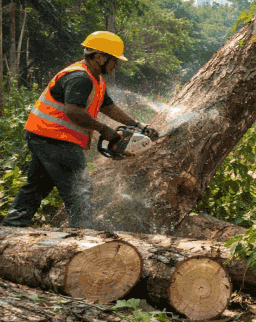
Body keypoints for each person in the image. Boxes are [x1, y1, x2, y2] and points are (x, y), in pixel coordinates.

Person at [2, 31, 159, 229]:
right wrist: (104, 130)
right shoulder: (80, 77)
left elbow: (108, 107)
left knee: (35, 188)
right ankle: (81, 235)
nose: (117, 65)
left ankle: (10, 229)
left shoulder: (96, 80)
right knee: (80, 188)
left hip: (45, 135)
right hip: (55, 138)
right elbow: (73, 111)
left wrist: (138, 125)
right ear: (100, 57)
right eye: (114, 60)